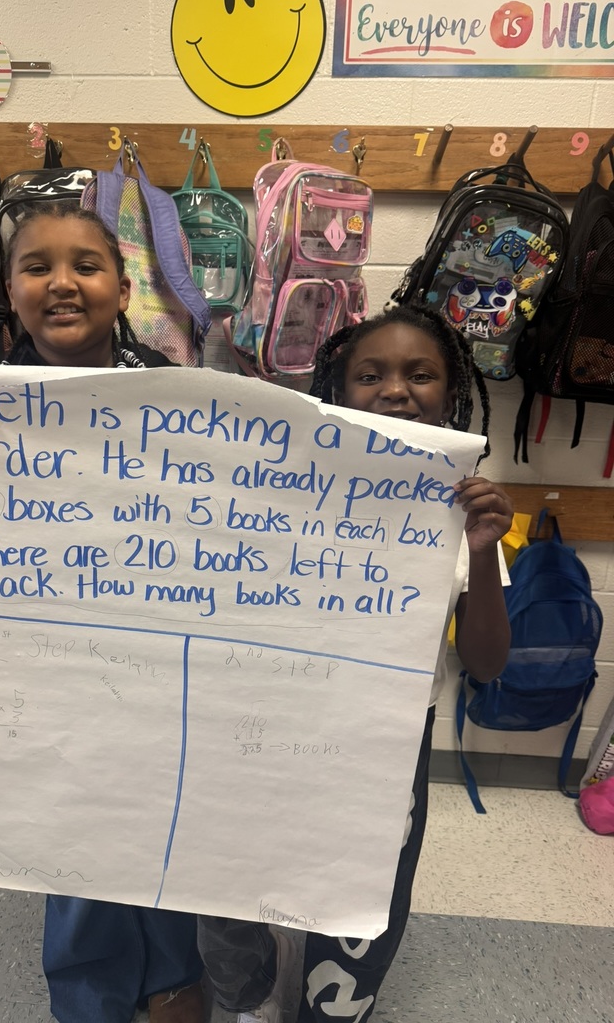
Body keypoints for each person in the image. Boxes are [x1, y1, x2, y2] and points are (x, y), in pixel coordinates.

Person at [0, 202, 206, 1023]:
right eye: (36, 267)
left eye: (86, 265)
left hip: (159, 676)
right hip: (46, 682)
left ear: (123, 286)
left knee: (164, 828)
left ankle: (173, 978)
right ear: (12, 291)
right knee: (74, 839)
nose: (62, 283)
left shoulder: (182, 403)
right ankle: (92, 995)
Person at [196, 304, 513, 1023]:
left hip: (384, 746)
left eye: (419, 373)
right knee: (231, 868)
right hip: (265, 722)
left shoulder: (465, 513)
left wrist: (487, 550)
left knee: (361, 887)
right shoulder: (284, 486)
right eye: (370, 374)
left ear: (452, 392)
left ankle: (330, 1007)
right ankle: (248, 1002)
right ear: (336, 393)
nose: (395, 389)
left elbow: (489, 664)